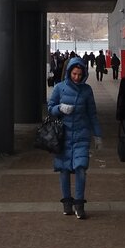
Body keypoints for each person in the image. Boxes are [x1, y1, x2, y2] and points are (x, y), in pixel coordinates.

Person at [47, 56, 101, 219]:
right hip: (63, 136)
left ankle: (79, 204)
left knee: (81, 169)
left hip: (81, 136)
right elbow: (50, 109)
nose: (77, 77)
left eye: (79, 74)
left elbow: (92, 114)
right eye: (74, 74)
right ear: (69, 72)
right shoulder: (59, 88)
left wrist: (97, 135)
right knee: (64, 170)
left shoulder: (87, 90)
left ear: (83, 73)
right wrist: (60, 108)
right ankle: (67, 203)